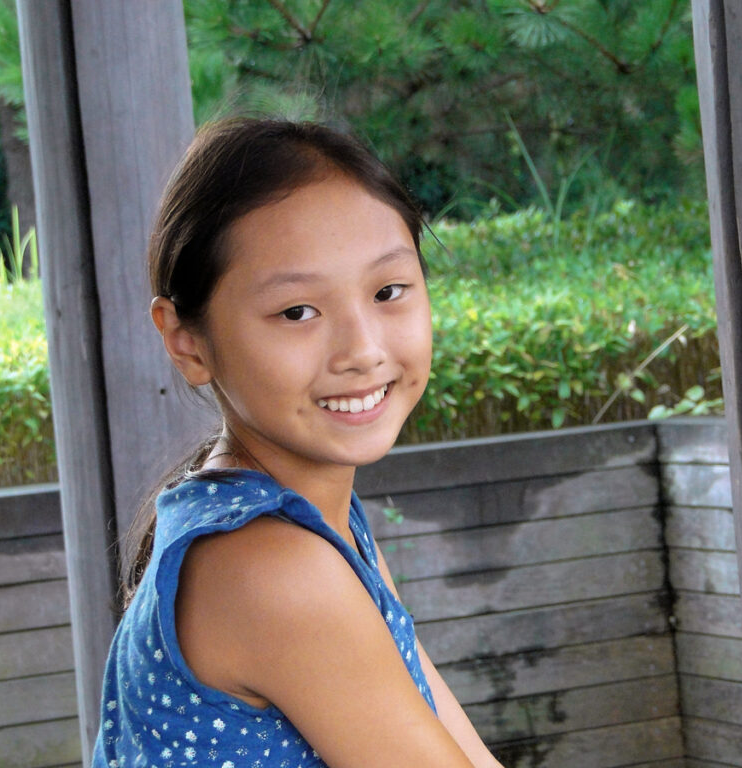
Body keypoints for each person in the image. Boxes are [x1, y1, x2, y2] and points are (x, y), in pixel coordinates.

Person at [93, 118, 503, 768]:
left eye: (388, 291)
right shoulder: (272, 568)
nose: (362, 350)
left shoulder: (316, 525)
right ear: (186, 342)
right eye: (297, 312)